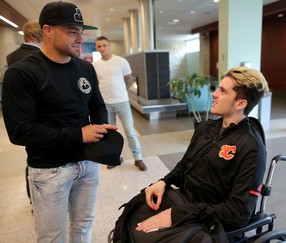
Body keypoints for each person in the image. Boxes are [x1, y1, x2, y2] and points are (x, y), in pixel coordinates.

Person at [2, 1, 117, 242]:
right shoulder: (22, 73)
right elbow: (20, 131)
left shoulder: (85, 68)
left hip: (87, 164)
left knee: (84, 226)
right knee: (52, 236)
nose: (79, 38)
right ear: (47, 30)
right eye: (72, 31)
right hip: (49, 170)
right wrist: (79, 135)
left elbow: (97, 105)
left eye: (81, 32)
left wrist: (99, 134)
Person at [134, 67, 270, 235]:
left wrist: (179, 214)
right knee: (133, 218)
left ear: (241, 104)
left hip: (208, 222)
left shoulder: (251, 147)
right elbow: (185, 165)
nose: (214, 94)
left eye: (222, 91)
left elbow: (239, 212)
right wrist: (163, 181)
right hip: (184, 203)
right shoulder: (205, 128)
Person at [93, 36, 147, 171]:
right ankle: (116, 157)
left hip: (122, 102)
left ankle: (138, 158)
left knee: (130, 131)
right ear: (97, 48)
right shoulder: (95, 66)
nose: (102, 48)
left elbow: (129, 80)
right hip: (106, 104)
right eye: (99, 46)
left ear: (109, 45)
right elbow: (96, 85)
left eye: (104, 45)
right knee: (111, 134)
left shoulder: (121, 61)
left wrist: (122, 91)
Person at [5, 20, 43, 205]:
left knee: (30, 158)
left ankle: (32, 200)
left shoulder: (11, 57)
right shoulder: (40, 57)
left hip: (21, 115)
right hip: (42, 116)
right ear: (40, 35)